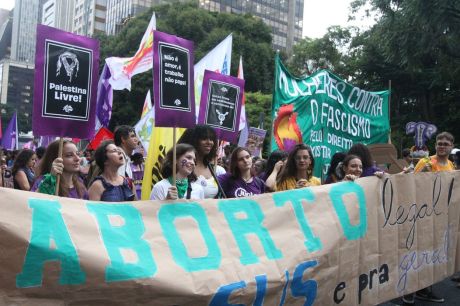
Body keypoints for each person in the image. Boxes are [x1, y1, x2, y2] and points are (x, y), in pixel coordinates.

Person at [403, 132, 455, 303]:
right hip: (422, 215)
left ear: (451, 147)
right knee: (418, 252)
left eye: (445, 144)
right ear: (435, 145)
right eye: (439, 143)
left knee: (433, 253)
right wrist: (422, 175)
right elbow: (411, 184)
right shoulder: (425, 162)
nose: (442, 146)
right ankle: (410, 288)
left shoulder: (452, 167)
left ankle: (425, 288)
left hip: (441, 217)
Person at [177, 125, 226, 198]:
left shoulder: (217, 170)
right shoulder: (179, 167)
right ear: (193, 140)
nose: (209, 142)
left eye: (212, 139)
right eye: (204, 138)